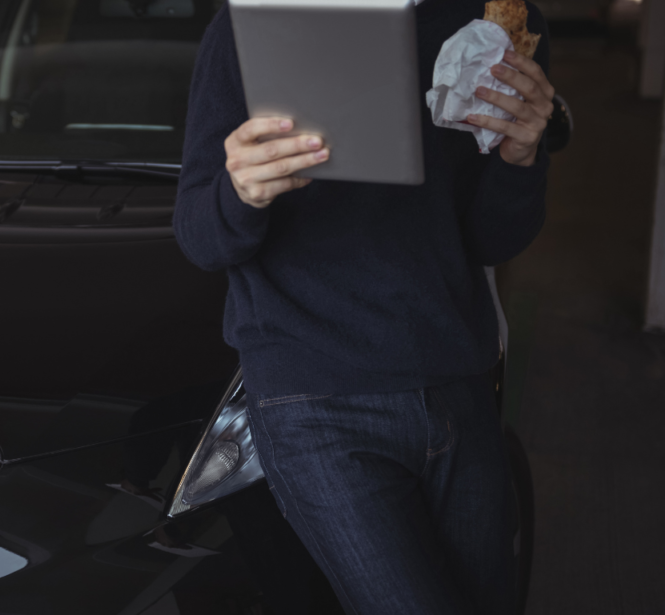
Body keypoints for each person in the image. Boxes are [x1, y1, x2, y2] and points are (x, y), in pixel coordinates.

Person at [172, 0, 555, 613]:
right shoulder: (256, 24)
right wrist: (239, 191)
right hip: (315, 400)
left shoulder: (492, 22)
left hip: (458, 382)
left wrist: (522, 158)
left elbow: (493, 241)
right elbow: (199, 236)